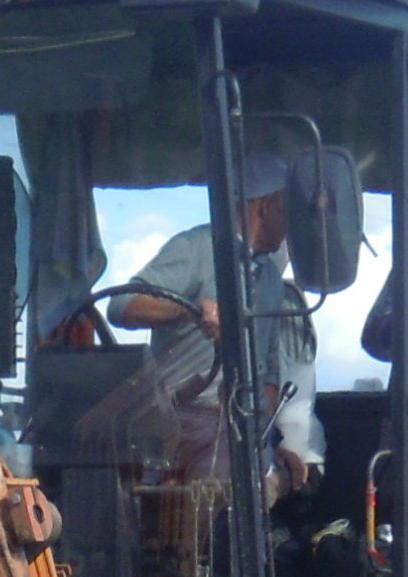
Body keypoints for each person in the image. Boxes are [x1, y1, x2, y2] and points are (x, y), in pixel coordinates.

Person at [108, 153, 320, 489]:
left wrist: (270, 444)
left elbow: (265, 375)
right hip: (178, 418)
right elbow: (122, 305)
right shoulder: (197, 247)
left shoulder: (269, 282)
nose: (293, 225)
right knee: (225, 487)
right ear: (268, 205)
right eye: (289, 212)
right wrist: (191, 309)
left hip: (233, 429)